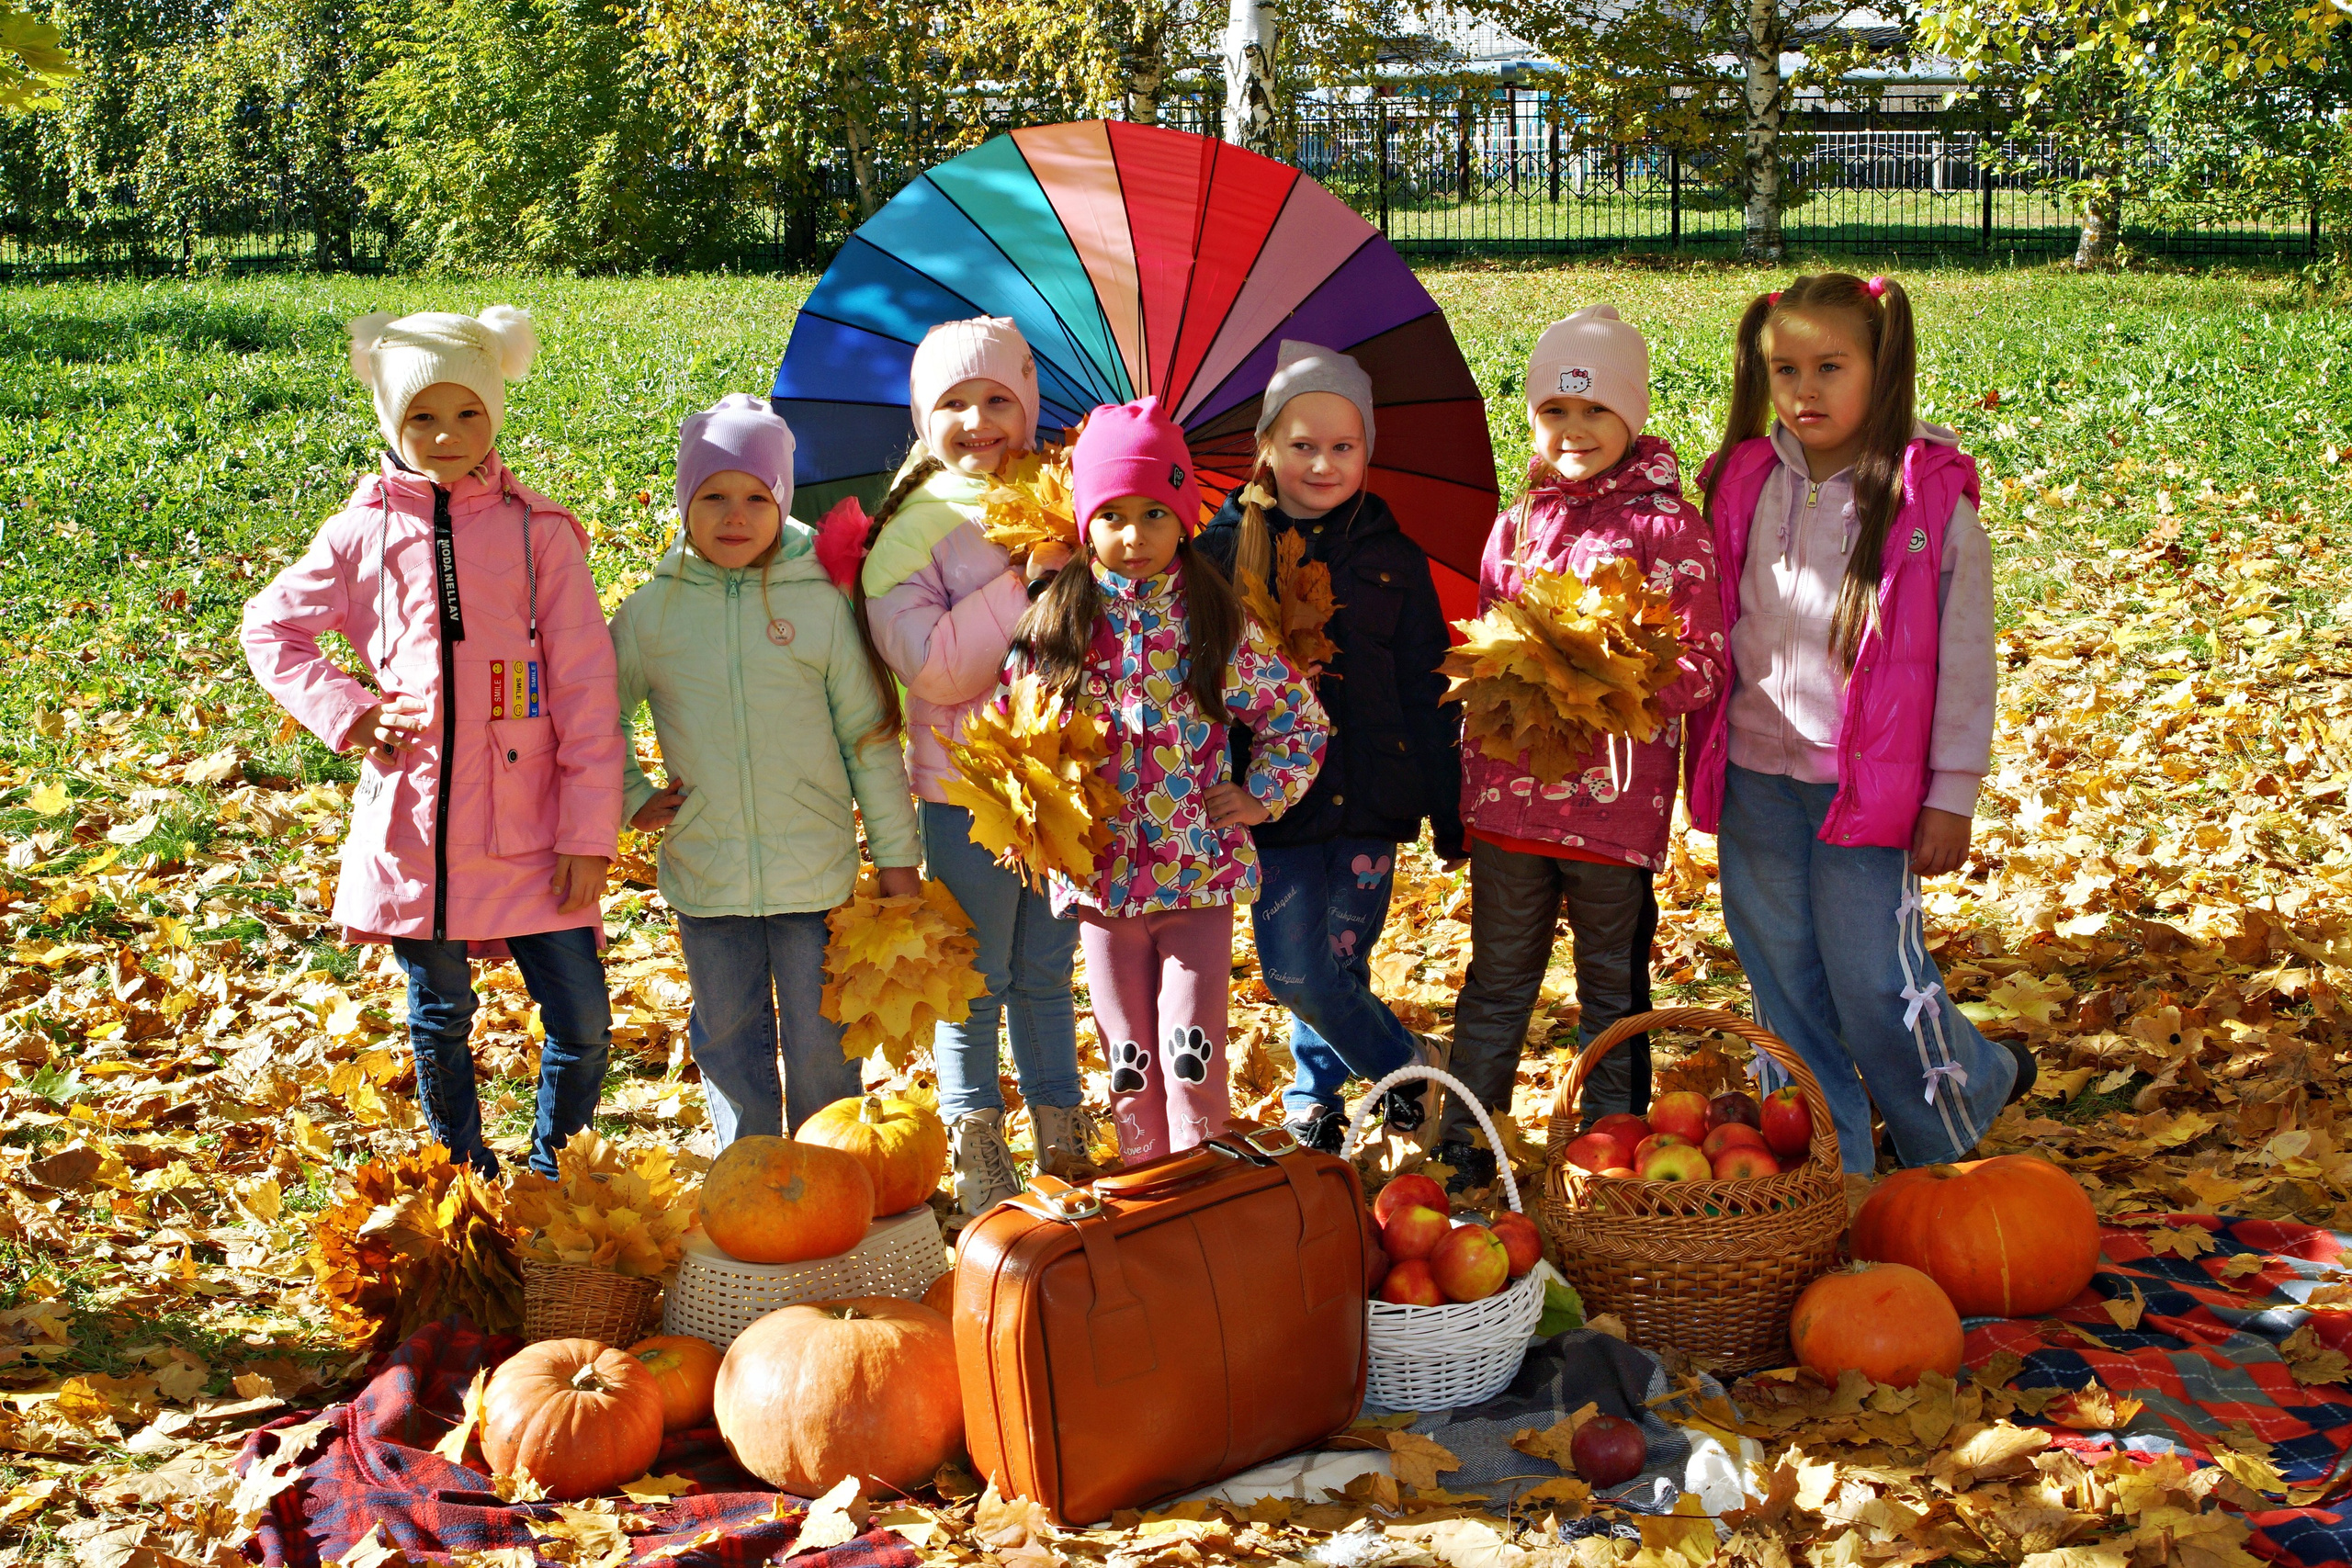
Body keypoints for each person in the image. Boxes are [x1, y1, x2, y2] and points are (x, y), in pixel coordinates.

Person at [241, 307, 622, 1179]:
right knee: (440, 1010)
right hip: (420, 824)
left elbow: (587, 692)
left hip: (536, 826)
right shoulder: (359, 530)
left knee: (582, 1022)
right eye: (422, 416)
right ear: (389, 418)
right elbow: (272, 629)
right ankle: (462, 1172)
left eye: (467, 414)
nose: (446, 435)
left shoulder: (541, 533)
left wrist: (590, 832)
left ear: (495, 415)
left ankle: (552, 1174)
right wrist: (349, 709)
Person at [1689, 272, 2032, 1176]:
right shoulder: (1738, 484)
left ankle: (1947, 1129)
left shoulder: (1927, 502)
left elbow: (1960, 662)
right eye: (1785, 369)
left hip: (1866, 795)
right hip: (1758, 780)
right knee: (1781, 984)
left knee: (1873, 982)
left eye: (1829, 366)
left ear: (1880, 370)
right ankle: (1827, 1172)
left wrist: (1951, 792)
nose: (1804, 391)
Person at [1440, 306, 1728, 1191]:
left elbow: (1705, 662)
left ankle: (1611, 1143)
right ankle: (1465, 1139)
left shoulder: (1668, 528)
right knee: (1498, 979)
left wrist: (1620, 682)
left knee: (1611, 984)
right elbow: (1486, 639)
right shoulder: (1517, 523)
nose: (1572, 432)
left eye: (1594, 411)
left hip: (1611, 808)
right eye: (1554, 413)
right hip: (1508, 804)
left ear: (1631, 418)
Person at [1007, 396, 1329, 1162]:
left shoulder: (1213, 621)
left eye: (1155, 512)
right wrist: (1046, 813)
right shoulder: (1057, 625)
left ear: (1185, 517)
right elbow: (1013, 741)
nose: (1133, 535)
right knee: (1130, 1060)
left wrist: (1261, 794)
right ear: (1085, 522)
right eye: (1113, 514)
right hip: (1101, 881)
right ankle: (1150, 1183)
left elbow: (1298, 716)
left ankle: (1204, 1182)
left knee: (1192, 1050)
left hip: (1197, 873)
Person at [610, 394, 922, 1147]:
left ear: (782, 504)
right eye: (712, 496)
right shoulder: (651, 615)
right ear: (685, 503)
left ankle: (825, 1171)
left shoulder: (819, 606)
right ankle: (746, 1175)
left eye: (757, 497)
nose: (734, 515)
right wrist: (631, 795)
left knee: (821, 1043)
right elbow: (595, 716)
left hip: (813, 873)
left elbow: (869, 738)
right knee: (728, 1035)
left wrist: (898, 860)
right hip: (705, 872)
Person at [1196, 341, 1461, 1156]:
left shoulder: (1393, 557)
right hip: (1272, 808)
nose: (1322, 463)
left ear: (1367, 451)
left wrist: (1449, 808)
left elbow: (1429, 687)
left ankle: (1316, 1095)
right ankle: (1408, 1066)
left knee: (1340, 959)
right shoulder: (1217, 554)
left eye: (1343, 447)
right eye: (1302, 445)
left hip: (1370, 800)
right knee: (1295, 972)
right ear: (1266, 448)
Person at [851, 317, 1091, 1213]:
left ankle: (1061, 1129)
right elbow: (938, 665)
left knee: (1045, 968)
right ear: (925, 415)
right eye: (955, 402)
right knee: (977, 973)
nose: (980, 419)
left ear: (1027, 406)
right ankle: (974, 1131)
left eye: (999, 398)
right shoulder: (911, 530)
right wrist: (1022, 581)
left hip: (1063, 785)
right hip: (964, 790)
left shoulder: (1064, 500)